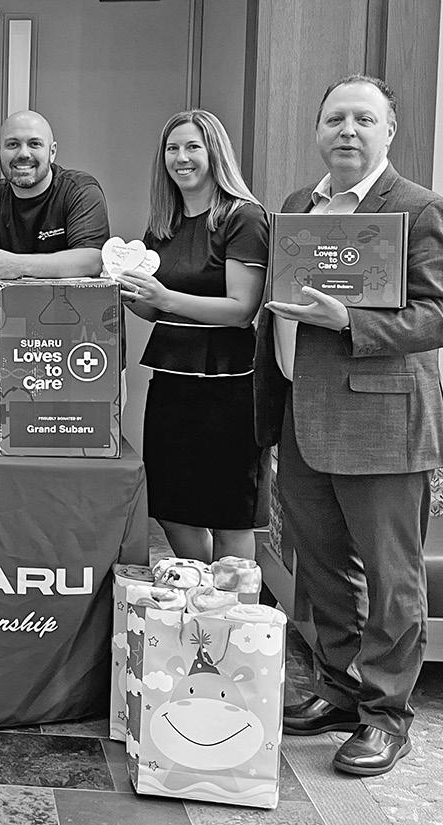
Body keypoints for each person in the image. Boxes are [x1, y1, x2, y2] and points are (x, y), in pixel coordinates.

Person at [257, 75, 443, 776]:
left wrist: (349, 321)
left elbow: (437, 313)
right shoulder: (297, 206)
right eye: (335, 118)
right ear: (317, 130)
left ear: (389, 131)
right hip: (302, 412)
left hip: (382, 419)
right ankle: (339, 690)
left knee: (393, 579)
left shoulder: (418, 207)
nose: (348, 130)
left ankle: (386, 716)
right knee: (323, 567)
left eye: (364, 119)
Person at [116, 110, 268, 563]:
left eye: (192, 147)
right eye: (172, 149)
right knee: (172, 508)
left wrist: (164, 296)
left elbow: (241, 311)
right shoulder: (163, 224)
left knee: (229, 515)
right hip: (171, 379)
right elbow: (154, 309)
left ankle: (232, 604)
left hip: (230, 384)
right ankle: (201, 592)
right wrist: (127, 294)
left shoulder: (243, 218)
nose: (181, 158)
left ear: (214, 153)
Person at [0, 110, 109, 282]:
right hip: (12, 299)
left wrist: (17, 265)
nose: (23, 154)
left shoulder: (78, 190)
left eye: (34, 144)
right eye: (12, 144)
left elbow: (92, 260)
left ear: (52, 152)